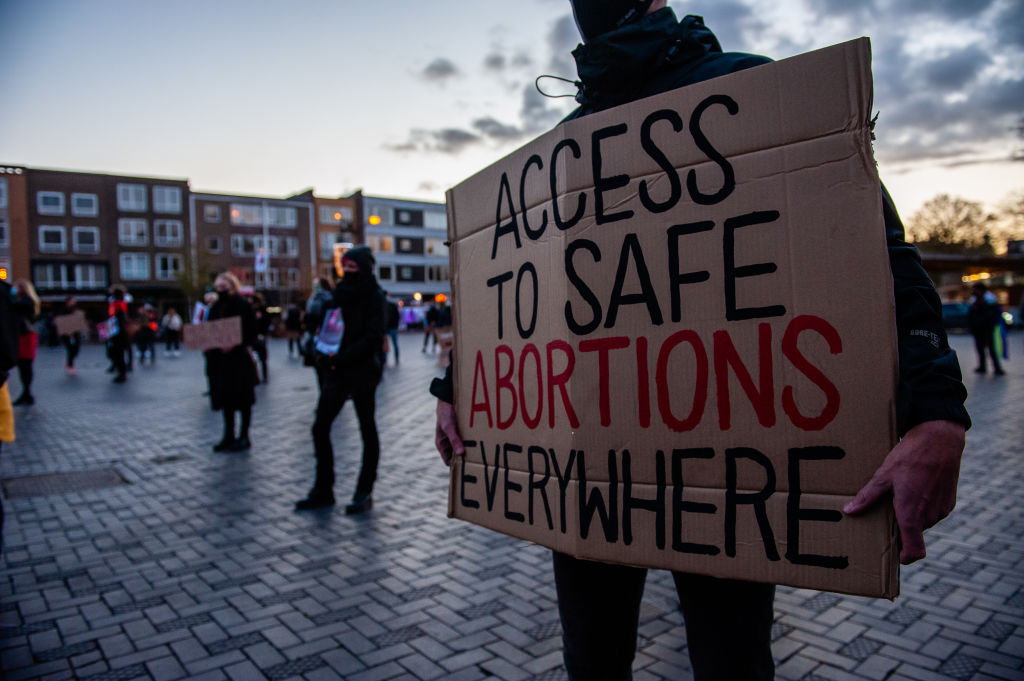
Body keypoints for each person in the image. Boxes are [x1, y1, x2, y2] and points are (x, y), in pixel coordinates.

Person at [431, 3, 971, 680]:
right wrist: (454, 389)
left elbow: (879, 255)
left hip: (727, 459)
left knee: (732, 659)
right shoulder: (563, 150)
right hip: (588, 465)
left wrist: (938, 408)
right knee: (594, 660)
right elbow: (508, 302)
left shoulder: (754, 97)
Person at [296, 246, 386, 513]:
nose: (347, 271)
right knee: (319, 428)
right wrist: (321, 350)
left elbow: (373, 338)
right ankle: (323, 489)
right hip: (336, 371)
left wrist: (342, 357)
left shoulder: (374, 296)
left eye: (353, 267)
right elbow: (328, 326)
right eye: (344, 266)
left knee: (366, 429)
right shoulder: (338, 294)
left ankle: (364, 490)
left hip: (361, 372)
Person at [205, 273, 258, 452]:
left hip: (239, 360)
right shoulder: (215, 307)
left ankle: (244, 436)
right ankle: (228, 436)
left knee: (243, 400)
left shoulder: (242, 305)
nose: (220, 290)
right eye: (218, 287)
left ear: (233, 286)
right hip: (221, 361)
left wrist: (236, 343)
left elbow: (251, 332)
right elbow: (209, 330)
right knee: (226, 400)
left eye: (224, 286)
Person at [12, 280, 41, 406]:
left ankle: (27, 393)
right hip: (23, 335)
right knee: (24, 365)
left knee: (25, 364)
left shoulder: (26, 301)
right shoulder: (27, 301)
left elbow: (14, 305)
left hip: (25, 335)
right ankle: (26, 393)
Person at [967, 282, 1004, 375]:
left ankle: (997, 368)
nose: (975, 291)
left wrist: (991, 325)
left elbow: (995, 314)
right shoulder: (974, 300)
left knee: (991, 348)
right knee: (980, 348)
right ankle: (982, 366)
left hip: (987, 328)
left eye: (976, 289)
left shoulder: (990, 299)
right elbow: (970, 315)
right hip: (978, 329)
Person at [107, 286, 130, 383]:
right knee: (120, 353)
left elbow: (114, 319)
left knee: (118, 353)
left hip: (117, 333)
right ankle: (122, 371)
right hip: (121, 333)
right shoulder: (122, 304)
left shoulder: (116, 305)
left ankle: (122, 373)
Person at [58, 296, 83, 375]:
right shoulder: (63, 311)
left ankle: (69, 363)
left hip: (76, 332)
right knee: (70, 349)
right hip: (66, 333)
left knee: (76, 348)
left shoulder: (75, 310)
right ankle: (70, 365)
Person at [250, 293, 270, 383]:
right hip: (253, 336)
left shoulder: (263, 309)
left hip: (261, 336)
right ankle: (255, 377)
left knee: (263, 358)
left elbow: (267, 321)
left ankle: (265, 376)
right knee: (253, 358)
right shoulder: (250, 310)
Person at [385, 293, 400, 365]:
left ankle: (385, 359)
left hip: (388, 328)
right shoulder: (393, 305)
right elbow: (397, 317)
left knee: (387, 343)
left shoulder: (385, 305)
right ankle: (396, 358)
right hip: (392, 327)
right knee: (393, 344)